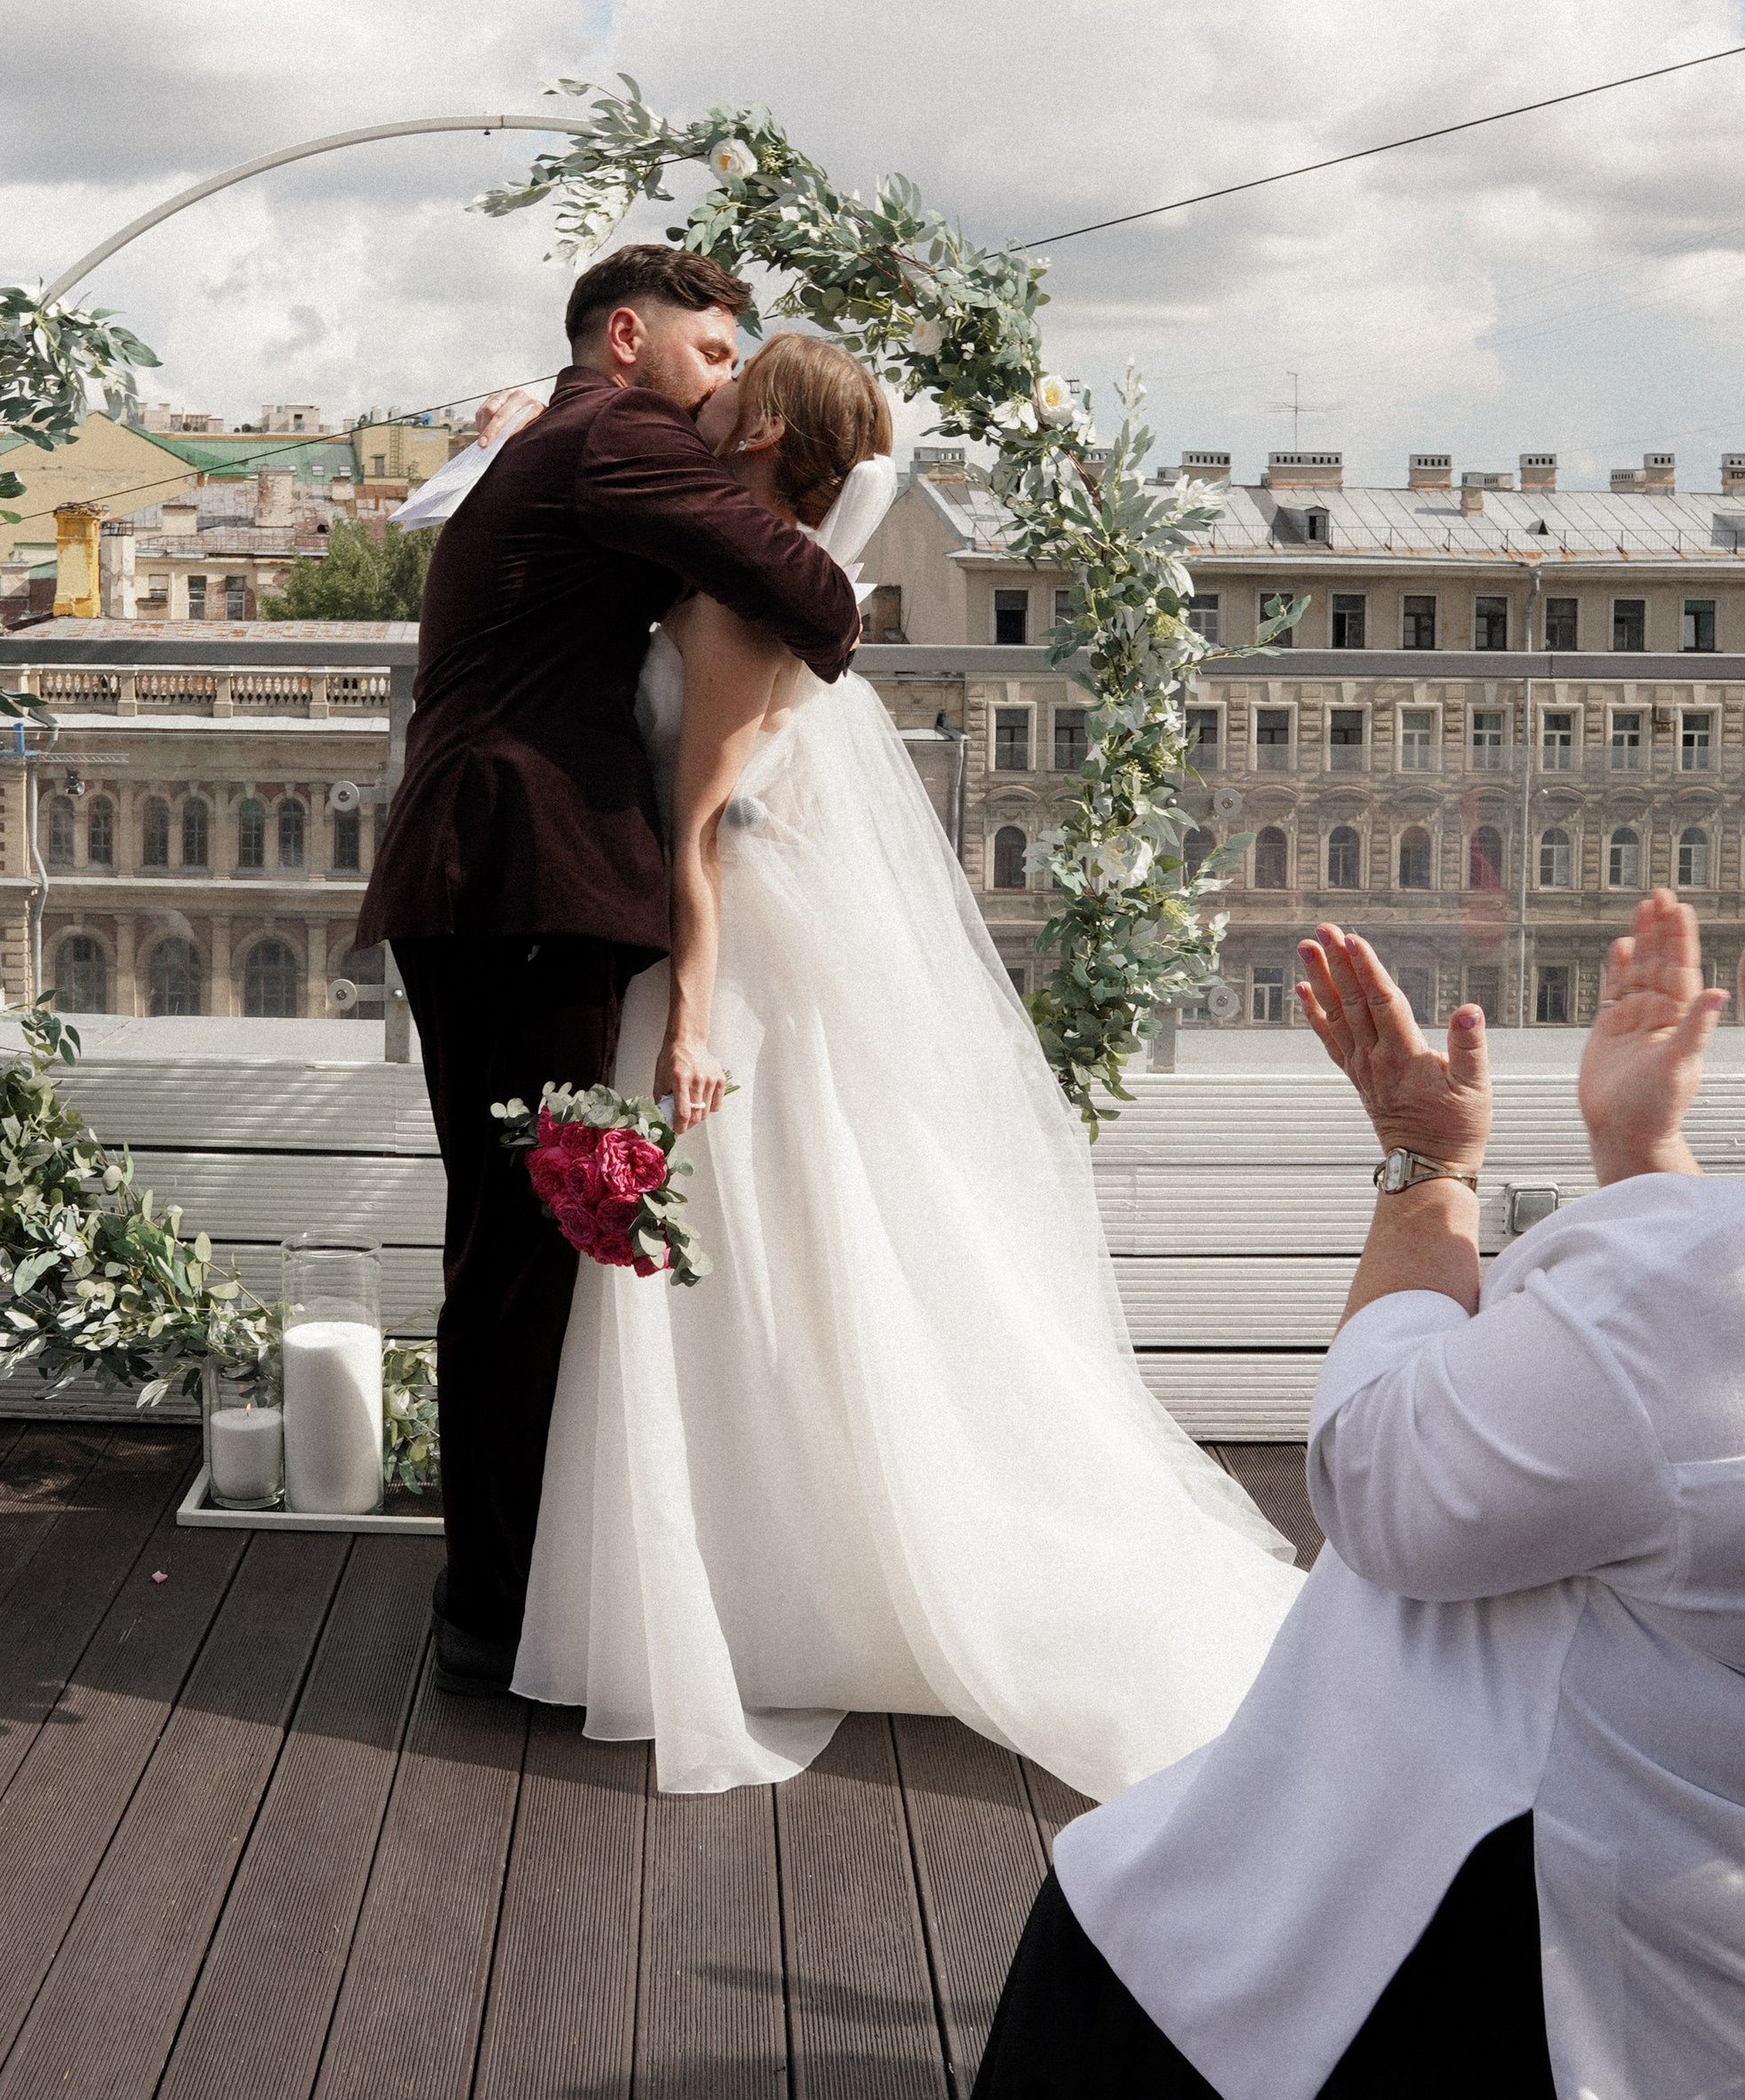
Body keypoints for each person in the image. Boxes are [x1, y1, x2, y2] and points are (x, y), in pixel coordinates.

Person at [926, 890, 1745, 2100]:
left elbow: (1383, 1472)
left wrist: (1425, 1170)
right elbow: (1695, 1466)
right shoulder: (1698, 1289)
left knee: (1119, 1919)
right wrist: (1644, 1160)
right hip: (1709, 2009)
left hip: (1498, 2038)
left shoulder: (1693, 1289)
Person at [513, 333, 1304, 1795]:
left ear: (760, 439)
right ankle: (788, 1568)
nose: (712, 394)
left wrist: (686, 1023)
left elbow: (704, 832)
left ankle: (776, 1590)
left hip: (726, 979)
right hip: (743, 960)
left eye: (733, 390)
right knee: (808, 1267)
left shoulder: (740, 597)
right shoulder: (774, 567)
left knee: (767, 1264)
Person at [357, 245, 863, 1696]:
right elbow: (808, 595)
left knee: (509, 1250)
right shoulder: (613, 433)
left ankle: (503, 1588)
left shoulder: (565, 438)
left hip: (484, 878)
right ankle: (496, 1614)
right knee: (523, 1260)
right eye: (714, 355)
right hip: (523, 884)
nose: (725, 389)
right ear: (628, 338)